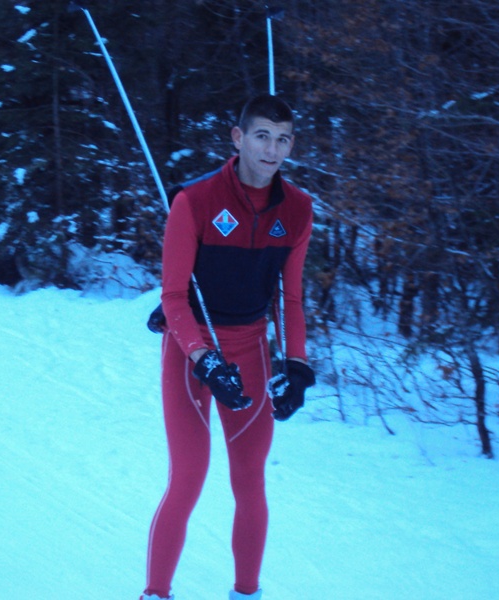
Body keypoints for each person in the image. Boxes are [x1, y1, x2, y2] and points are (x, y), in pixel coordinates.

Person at [141, 94, 316, 600]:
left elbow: (291, 297)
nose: (272, 149)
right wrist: (205, 360)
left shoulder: (297, 209)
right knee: (188, 478)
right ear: (238, 138)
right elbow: (173, 297)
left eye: (282, 139)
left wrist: (296, 365)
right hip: (190, 349)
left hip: (252, 348)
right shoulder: (194, 201)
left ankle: (246, 593)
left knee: (250, 479)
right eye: (261, 136)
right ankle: (155, 593)